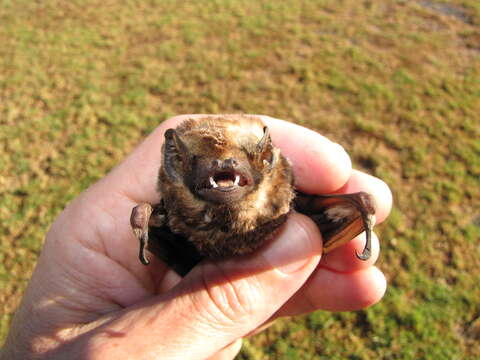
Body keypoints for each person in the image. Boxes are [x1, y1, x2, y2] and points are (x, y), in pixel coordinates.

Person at [0, 115, 391, 359]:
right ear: (178, 164)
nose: (223, 167)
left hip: (269, 225)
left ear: (264, 159)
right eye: (205, 163)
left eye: (236, 162)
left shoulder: (280, 187)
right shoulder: (169, 209)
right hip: (197, 252)